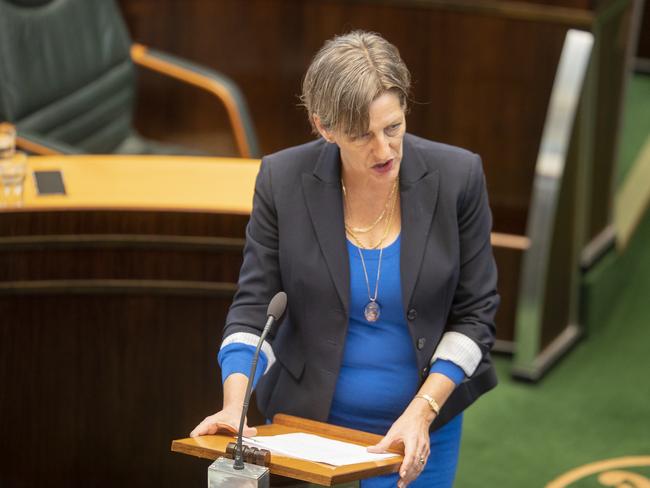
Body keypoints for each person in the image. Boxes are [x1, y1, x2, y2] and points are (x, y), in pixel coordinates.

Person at [191, 30, 499, 488]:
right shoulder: (282, 179)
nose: (384, 150)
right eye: (362, 136)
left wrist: (423, 409)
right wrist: (235, 404)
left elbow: (476, 314)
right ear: (324, 127)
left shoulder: (458, 177)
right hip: (307, 431)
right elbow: (255, 306)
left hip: (415, 432)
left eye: (393, 127)